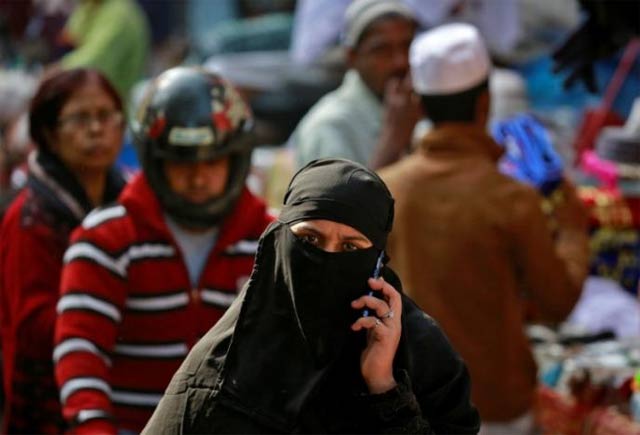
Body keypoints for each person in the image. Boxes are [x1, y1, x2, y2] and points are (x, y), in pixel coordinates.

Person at [143, 158, 480, 434]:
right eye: (310, 240)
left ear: (377, 262)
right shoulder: (223, 368)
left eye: (350, 247)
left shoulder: (421, 356)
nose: (327, 259)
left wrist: (384, 388)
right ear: (279, 245)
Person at [379, 23, 590, 433]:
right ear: (484, 103)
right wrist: (572, 232)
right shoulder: (510, 197)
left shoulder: (387, 189)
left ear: (418, 105)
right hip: (495, 406)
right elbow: (557, 302)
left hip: (412, 401)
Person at [53, 67, 274, 433]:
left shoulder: (271, 241)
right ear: (155, 162)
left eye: (213, 161)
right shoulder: (106, 239)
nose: (199, 177)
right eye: (182, 163)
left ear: (237, 158)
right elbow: (80, 354)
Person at [0, 68, 126, 434]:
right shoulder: (30, 219)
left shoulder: (128, 200)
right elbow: (32, 328)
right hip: (51, 409)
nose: (96, 129)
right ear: (50, 135)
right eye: (80, 118)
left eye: (106, 116)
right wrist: (114, 319)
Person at [289, 0, 422, 170]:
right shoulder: (329, 126)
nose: (400, 62)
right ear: (352, 57)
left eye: (407, 46)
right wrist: (394, 141)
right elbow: (340, 197)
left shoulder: (416, 105)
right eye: (382, 50)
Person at [58, 0, 150, 102]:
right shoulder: (88, 6)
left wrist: (52, 73)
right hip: (89, 96)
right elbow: (68, 39)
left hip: (115, 105)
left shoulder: (118, 14)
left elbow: (91, 64)